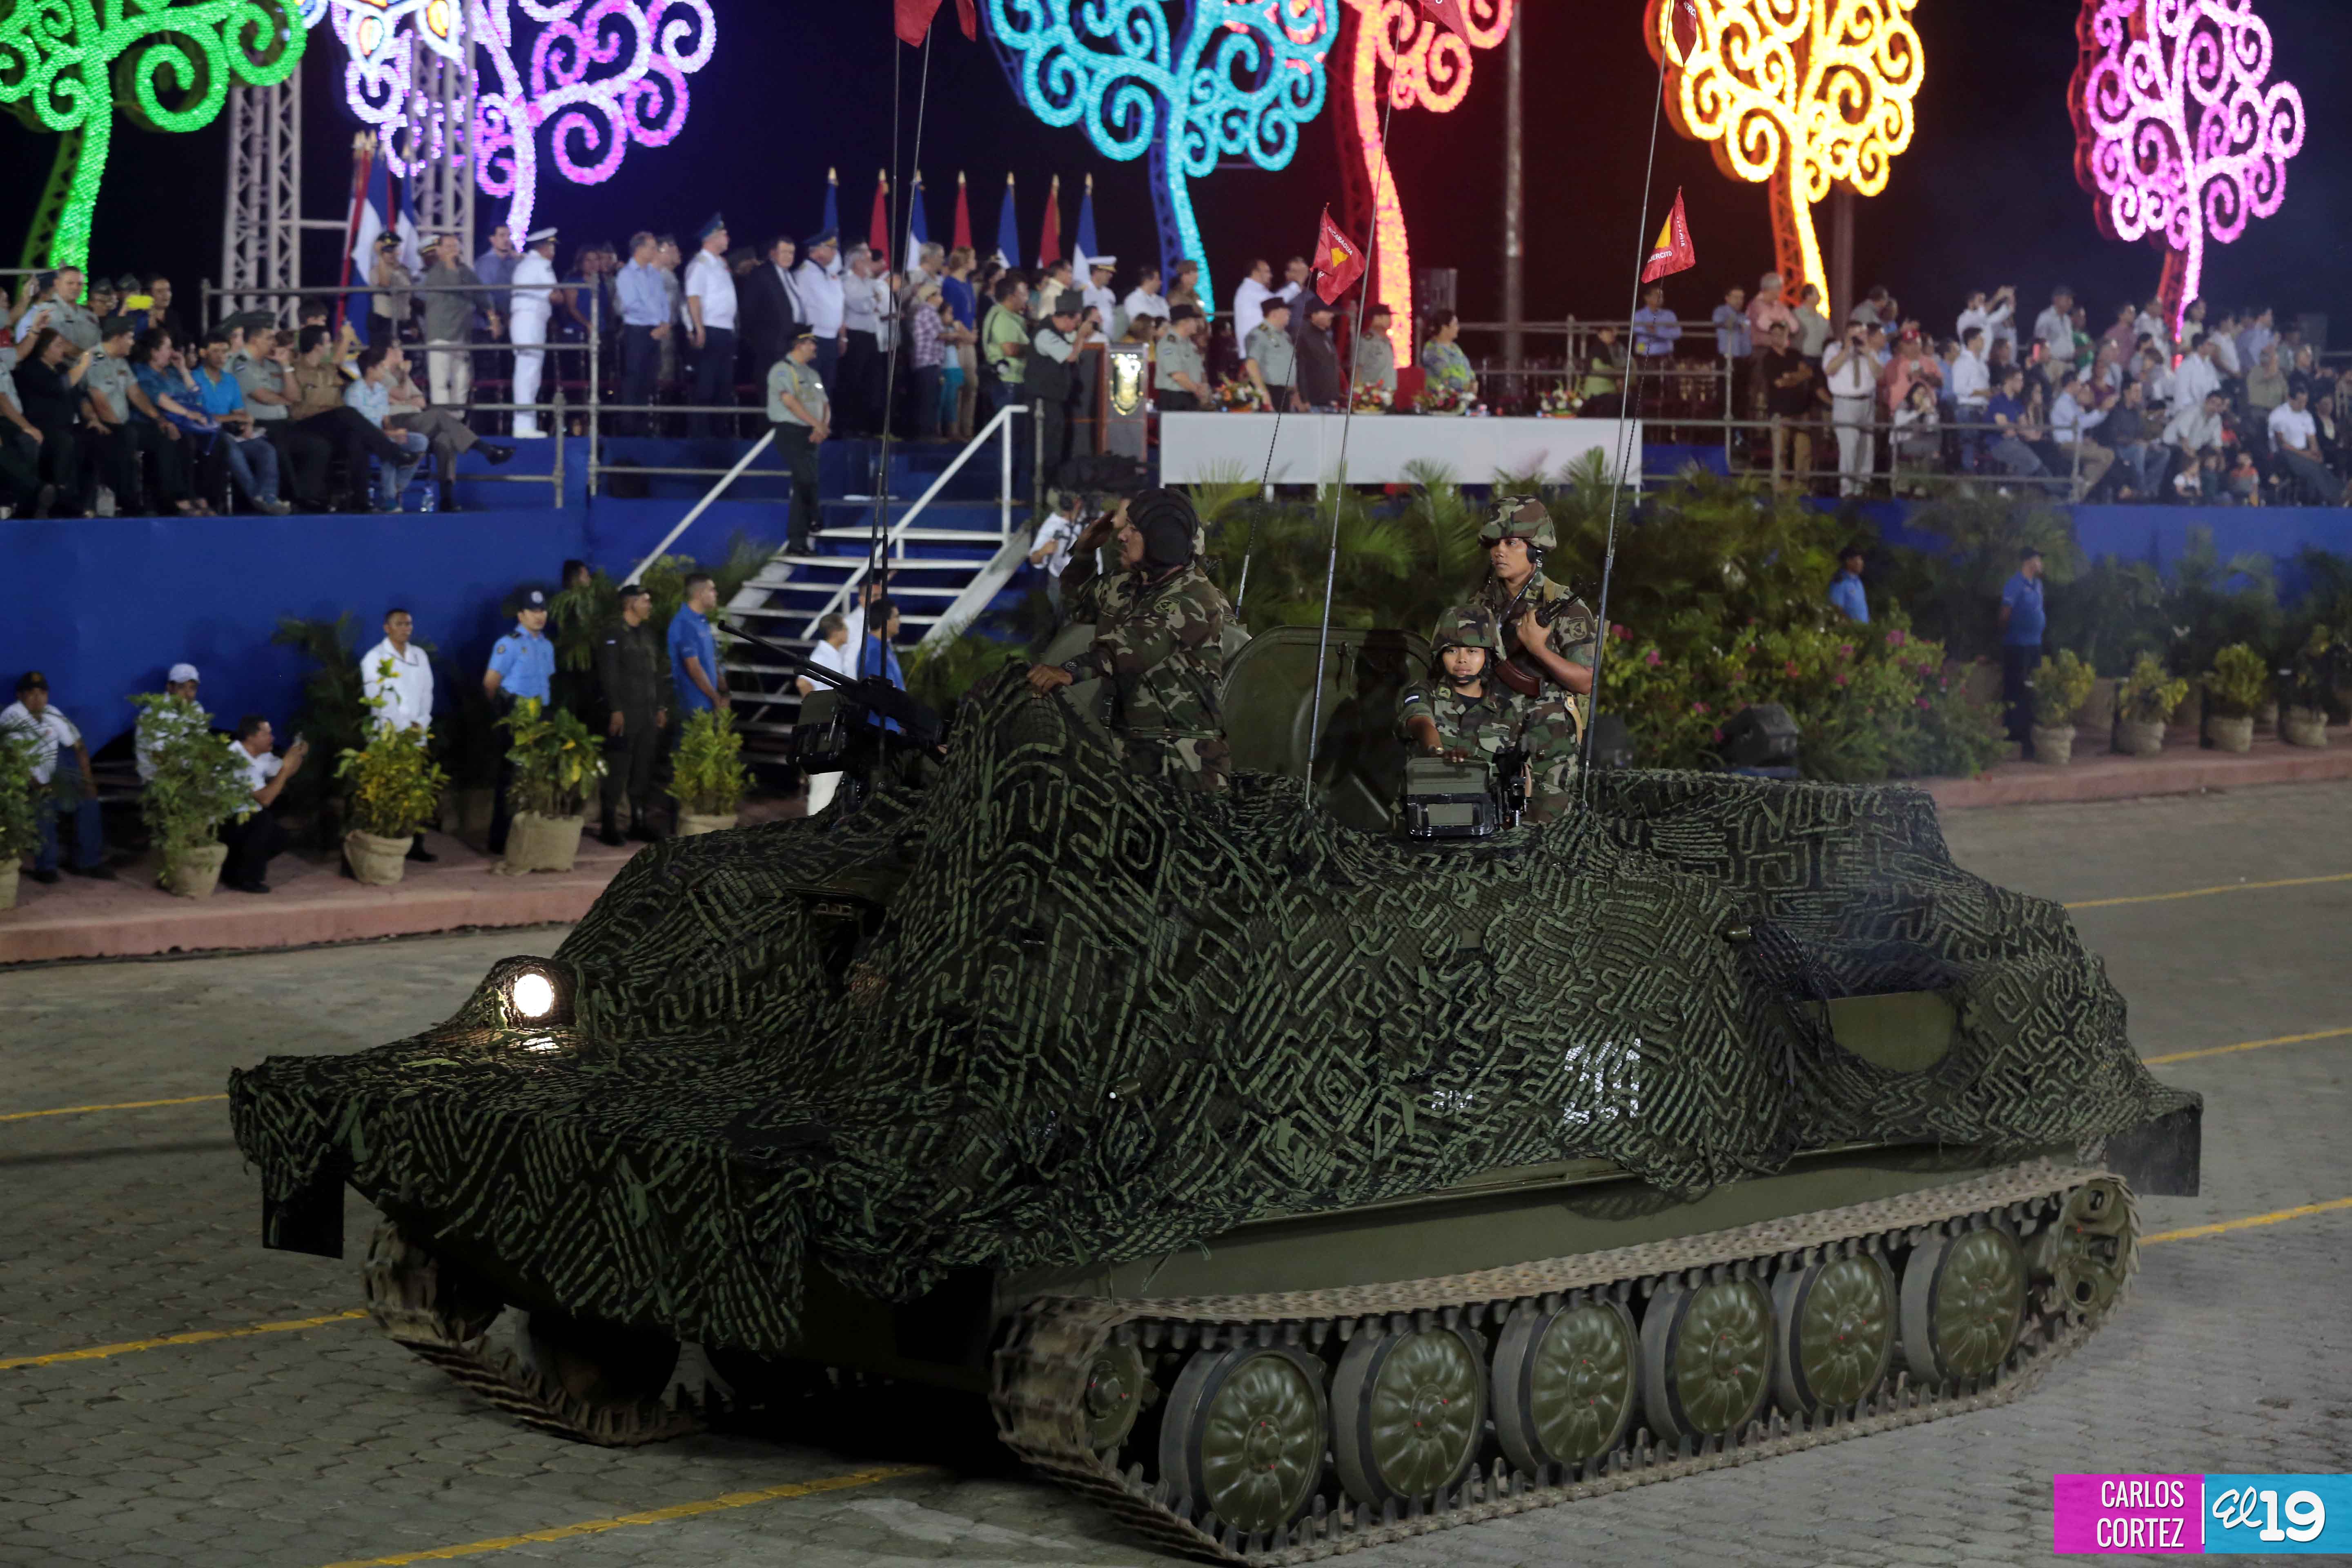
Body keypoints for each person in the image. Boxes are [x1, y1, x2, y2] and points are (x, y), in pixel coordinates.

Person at [1025, 488, 1232, 790]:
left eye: (1133, 529)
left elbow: (1130, 648)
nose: (1121, 536)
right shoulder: (1126, 586)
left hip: (1183, 764)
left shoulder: (1194, 597)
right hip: (1128, 750)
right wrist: (1084, 553)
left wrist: (1067, 671)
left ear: (1162, 538)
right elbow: (1077, 604)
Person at [1397, 606, 1581, 822]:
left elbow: (1543, 769)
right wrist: (1437, 752)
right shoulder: (1424, 691)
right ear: (1440, 655)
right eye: (1452, 651)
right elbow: (1419, 719)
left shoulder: (1512, 707)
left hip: (1492, 826)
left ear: (1488, 654)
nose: (1462, 660)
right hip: (1427, 821)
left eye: (1473, 651)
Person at [1473, 498, 1597, 715]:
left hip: (1541, 724)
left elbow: (1586, 682)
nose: (1499, 551)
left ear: (1534, 551)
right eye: (1495, 543)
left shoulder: (1563, 606)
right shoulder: (1481, 602)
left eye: (1511, 543)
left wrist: (1538, 649)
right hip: (1485, 720)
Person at [3, 671, 111, 882]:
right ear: (20, 695)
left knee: (89, 801)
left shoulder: (52, 712)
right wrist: (38, 785)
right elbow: (13, 758)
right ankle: (46, 868)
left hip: (53, 779)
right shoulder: (12, 715)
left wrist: (88, 782)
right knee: (44, 804)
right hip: (22, 782)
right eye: (31, 693)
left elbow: (79, 747)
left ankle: (87, 862)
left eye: (42, 693)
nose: (38, 698)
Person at [356, 608, 438, 862]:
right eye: (400, 624)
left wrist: (421, 723)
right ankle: (386, 846)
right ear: (387, 628)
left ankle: (415, 845)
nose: (406, 628)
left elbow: (427, 693)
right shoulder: (374, 658)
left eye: (409, 624)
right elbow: (379, 699)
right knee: (390, 791)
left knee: (416, 790)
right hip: (389, 735)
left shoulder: (420, 655)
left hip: (417, 734)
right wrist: (404, 728)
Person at [592, 582, 669, 845]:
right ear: (630, 603)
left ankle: (639, 822)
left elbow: (657, 674)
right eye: (645, 601)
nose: (649, 605)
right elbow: (609, 675)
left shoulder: (647, 634)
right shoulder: (613, 634)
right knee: (618, 770)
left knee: (642, 769)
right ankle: (609, 826)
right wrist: (615, 709)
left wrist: (661, 707)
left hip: (647, 714)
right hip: (625, 714)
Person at [483, 587, 556, 855]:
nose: (540, 616)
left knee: (537, 777)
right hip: (516, 718)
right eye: (533, 611)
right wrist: (505, 715)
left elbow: (547, 680)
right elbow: (490, 684)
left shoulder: (547, 645)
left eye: (543, 610)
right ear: (521, 615)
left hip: (541, 716)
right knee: (511, 779)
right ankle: (500, 839)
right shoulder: (509, 644)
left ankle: (530, 837)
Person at [190, 330, 289, 513]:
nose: (221, 356)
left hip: (230, 431)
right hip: (206, 433)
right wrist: (236, 418)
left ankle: (268, 497)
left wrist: (246, 423)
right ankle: (258, 499)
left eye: (224, 352)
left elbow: (239, 411)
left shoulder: (230, 380)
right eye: (216, 351)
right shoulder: (194, 378)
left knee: (266, 450)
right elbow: (202, 416)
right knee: (230, 448)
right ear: (203, 353)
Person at [220, 715, 307, 893]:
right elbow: (266, 799)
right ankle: (248, 879)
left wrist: (298, 754)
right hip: (224, 820)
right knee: (262, 821)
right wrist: (286, 768)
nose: (273, 738)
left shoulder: (262, 755)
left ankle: (234, 869)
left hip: (246, 816)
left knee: (281, 837)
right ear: (251, 737)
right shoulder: (237, 758)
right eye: (267, 734)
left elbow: (286, 769)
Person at [419, 232, 496, 412]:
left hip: (462, 335)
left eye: (455, 246)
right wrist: (449, 262)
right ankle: (443, 420)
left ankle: (457, 419)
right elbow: (453, 283)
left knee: (462, 381)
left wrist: (493, 319)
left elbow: (482, 295)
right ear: (439, 250)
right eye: (448, 247)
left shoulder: (465, 271)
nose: (453, 251)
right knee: (440, 381)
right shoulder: (435, 272)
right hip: (441, 335)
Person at [768, 330, 829, 555]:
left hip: (812, 434)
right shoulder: (782, 370)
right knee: (805, 479)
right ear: (799, 345)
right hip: (791, 432)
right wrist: (817, 424)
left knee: (807, 483)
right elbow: (789, 401)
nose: (815, 347)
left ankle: (797, 542)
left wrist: (822, 427)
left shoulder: (812, 374)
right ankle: (815, 517)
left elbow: (824, 403)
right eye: (811, 343)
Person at [1024, 297, 1092, 494]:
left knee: (1055, 451)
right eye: (1076, 322)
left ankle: (1049, 494)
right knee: (1045, 451)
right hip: (1043, 402)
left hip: (1055, 401)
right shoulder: (1045, 334)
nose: (1076, 327)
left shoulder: (1058, 334)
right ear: (1066, 318)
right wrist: (1081, 336)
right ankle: (1037, 496)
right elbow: (1071, 356)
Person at [682, 213, 738, 436]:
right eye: (724, 234)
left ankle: (720, 433)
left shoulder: (720, 264)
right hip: (710, 328)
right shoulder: (700, 264)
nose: (728, 238)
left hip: (725, 330)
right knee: (706, 385)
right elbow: (693, 298)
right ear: (712, 237)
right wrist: (699, 328)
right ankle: (700, 435)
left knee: (724, 386)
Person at [508, 227, 561, 437]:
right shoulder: (540, 265)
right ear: (544, 248)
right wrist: (563, 296)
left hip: (525, 320)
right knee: (528, 373)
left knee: (527, 371)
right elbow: (554, 296)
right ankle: (523, 425)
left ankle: (524, 423)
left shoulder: (526, 264)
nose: (554, 252)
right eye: (552, 247)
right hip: (531, 321)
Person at [615, 232, 671, 431]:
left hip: (656, 330)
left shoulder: (654, 275)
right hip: (637, 331)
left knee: (649, 378)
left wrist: (665, 323)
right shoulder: (627, 275)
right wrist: (657, 321)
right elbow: (630, 305)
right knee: (634, 378)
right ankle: (629, 427)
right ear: (639, 249)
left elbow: (664, 302)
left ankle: (643, 425)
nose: (656, 251)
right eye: (653, 248)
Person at [1999, 547, 2046, 753]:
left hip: (2034, 645)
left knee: (2031, 689)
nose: (2041, 564)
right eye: (2038, 560)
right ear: (2029, 562)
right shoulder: (2015, 584)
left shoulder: (2038, 585)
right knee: (2016, 689)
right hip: (2017, 646)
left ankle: (2028, 735)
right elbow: (2005, 614)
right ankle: (2012, 735)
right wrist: (2006, 637)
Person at [1824, 321, 1879, 497]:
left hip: (1867, 403)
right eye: (1856, 334)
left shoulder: (1869, 351)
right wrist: (1846, 350)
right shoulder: (1834, 349)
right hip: (1845, 403)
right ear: (1846, 335)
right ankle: (1847, 490)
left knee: (1866, 447)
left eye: (1863, 334)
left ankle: (1863, 488)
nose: (1860, 338)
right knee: (1849, 447)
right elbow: (1829, 370)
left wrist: (1869, 354)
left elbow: (1879, 375)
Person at [1758, 320, 1815, 488]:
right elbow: (1779, 383)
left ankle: (1801, 488)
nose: (1778, 337)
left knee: (1804, 452)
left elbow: (1809, 373)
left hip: (1801, 410)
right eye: (1774, 334)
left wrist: (1791, 377)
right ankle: (1781, 489)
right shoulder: (1769, 359)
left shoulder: (1795, 354)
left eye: (1781, 334)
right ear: (1770, 337)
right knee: (1780, 452)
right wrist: (1798, 377)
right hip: (1780, 411)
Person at [668, 571, 728, 717]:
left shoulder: (702, 621)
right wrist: (716, 698)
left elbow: (711, 660)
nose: (716, 594)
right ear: (700, 594)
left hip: (708, 703)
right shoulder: (685, 623)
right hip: (693, 707)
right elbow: (694, 667)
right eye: (712, 590)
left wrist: (725, 692)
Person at [2269, 387, 2341, 506]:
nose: (2303, 405)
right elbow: (2282, 444)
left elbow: (2312, 440)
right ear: (2290, 399)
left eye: (2305, 402)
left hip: (2303, 453)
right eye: (2300, 402)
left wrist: (2317, 453)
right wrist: (2305, 455)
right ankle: (2334, 500)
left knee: (2322, 468)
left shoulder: (2306, 415)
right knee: (2312, 469)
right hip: (2284, 454)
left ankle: (2342, 494)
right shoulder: (2279, 415)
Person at [135, 663, 205, 783]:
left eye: (193, 688)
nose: (188, 694)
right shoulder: (154, 714)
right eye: (182, 687)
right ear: (170, 688)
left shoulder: (197, 709)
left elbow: (202, 743)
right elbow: (159, 757)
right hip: (157, 777)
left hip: (186, 772)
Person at [1028, 494, 1083, 620]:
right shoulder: (1053, 524)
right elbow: (1034, 559)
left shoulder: (1089, 519)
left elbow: (1118, 521)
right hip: (1060, 582)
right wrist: (1043, 552)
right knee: (1064, 620)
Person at [1243, 296, 1298, 411]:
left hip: (1285, 393)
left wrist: (1295, 392)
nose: (1289, 314)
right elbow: (1251, 364)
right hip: (1270, 391)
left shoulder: (1285, 336)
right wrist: (1263, 392)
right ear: (1274, 314)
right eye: (1285, 312)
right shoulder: (1259, 334)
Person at [1155, 303, 1210, 412]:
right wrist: (1198, 391)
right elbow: (1177, 375)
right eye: (1194, 321)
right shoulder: (1169, 344)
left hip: (1191, 396)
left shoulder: (1189, 344)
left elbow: (1200, 370)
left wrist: (1204, 386)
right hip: (1174, 399)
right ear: (1184, 322)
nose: (1197, 324)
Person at [1294, 297, 1343, 410]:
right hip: (1313, 402)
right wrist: (1304, 399)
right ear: (1314, 314)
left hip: (1329, 401)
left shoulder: (1325, 336)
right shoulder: (1304, 337)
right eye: (1327, 312)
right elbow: (1300, 369)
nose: (1332, 315)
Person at [1419, 309, 1476, 407]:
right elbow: (1448, 377)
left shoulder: (1456, 348)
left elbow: (1468, 369)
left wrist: (1473, 382)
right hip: (1441, 405)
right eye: (1456, 325)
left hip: (1462, 401)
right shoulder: (1432, 351)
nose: (1458, 328)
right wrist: (1468, 386)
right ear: (1445, 328)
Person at [1353, 302, 1397, 405]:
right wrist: (1357, 394)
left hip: (1389, 394)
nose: (1391, 321)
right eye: (1387, 317)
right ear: (1377, 318)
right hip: (1371, 396)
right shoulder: (1367, 340)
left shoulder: (1388, 341)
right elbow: (1358, 368)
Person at [1230, 257, 1281, 342]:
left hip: (1260, 343)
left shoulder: (1254, 290)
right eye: (1267, 272)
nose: (1271, 276)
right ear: (1256, 273)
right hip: (1253, 347)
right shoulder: (1249, 290)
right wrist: (1296, 286)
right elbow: (1277, 302)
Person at [1631, 284, 1680, 361]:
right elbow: (1638, 330)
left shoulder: (1669, 315)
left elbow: (1677, 333)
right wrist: (1665, 332)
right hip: (1644, 357)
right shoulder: (1639, 315)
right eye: (1657, 295)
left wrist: (1656, 331)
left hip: (1666, 357)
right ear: (1647, 298)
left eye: (1662, 296)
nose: (1660, 298)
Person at [1828, 542, 1869, 623]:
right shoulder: (1840, 583)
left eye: (1861, 559)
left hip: (1863, 629)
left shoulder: (1858, 582)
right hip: (1850, 630)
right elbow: (1836, 610)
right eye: (1859, 559)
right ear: (1849, 561)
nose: (1862, 562)